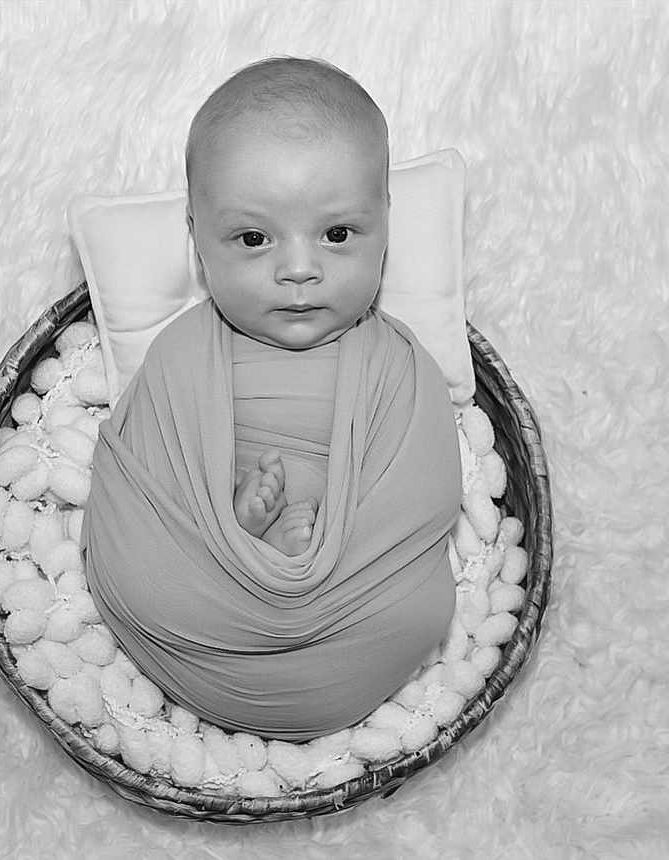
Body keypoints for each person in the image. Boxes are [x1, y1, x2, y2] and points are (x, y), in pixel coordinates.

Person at [82, 57, 462, 741]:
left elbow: (420, 498)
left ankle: (280, 552)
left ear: (386, 224)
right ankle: (248, 532)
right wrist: (233, 531)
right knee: (142, 581)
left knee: (416, 610)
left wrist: (329, 556)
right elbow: (140, 495)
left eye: (337, 234)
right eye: (254, 239)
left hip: (358, 610)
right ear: (197, 239)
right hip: (203, 604)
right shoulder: (181, 355)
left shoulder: (400, 365)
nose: (298, 269)